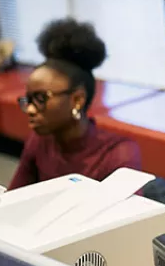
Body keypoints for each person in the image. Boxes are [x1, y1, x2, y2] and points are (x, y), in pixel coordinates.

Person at [9, 18, 140, 189]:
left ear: (77, 100)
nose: (31, 110)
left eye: (41, 98)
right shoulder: (40, 141)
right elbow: (13, 198)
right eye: (29, 100)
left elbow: (130, 216)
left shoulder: (118, 153)